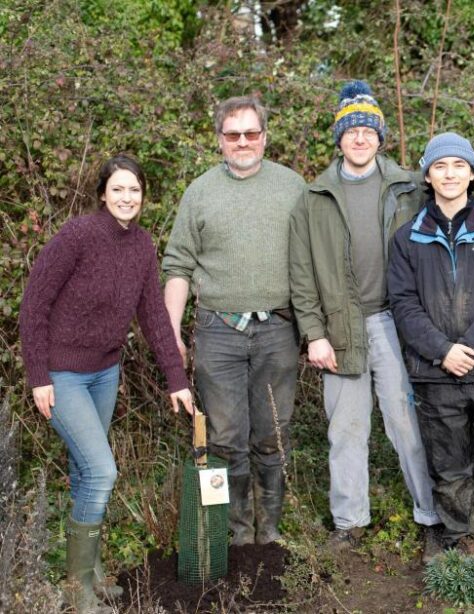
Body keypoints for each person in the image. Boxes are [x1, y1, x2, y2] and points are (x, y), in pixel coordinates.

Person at [19, 154, 195, 613]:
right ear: (102, 193)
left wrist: (176, 379)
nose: (126, 198)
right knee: (101, 471)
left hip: (105, 372)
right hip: (62, 373)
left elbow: (154, 316)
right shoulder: (77, 236)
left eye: (134, 190)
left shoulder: (142, 246)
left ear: (143, 196)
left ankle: (91, 575)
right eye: (117, 189)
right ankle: (77, 592)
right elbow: (34, 304)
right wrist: (38, 375)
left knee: (84, 472)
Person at [288, 81, 442, 555]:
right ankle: (349, 522)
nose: (360, 138)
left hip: (399, 326)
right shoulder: (314, 198)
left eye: (368, 129)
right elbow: (301, 272)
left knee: (407, 424)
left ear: (381, 136)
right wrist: (313, 333)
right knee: (345, 429)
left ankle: (432, 516)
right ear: (339, 137)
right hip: (340, 329)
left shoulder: (409, 188)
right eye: (351, 129)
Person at [163, 96, 306, 546]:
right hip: (219, 331)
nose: (242, 142)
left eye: (251, 133)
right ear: (219, 140)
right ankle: (237, 536)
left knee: (271, 434)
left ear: (264, 136)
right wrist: (171, 334)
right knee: (225, 439)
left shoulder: (293, 187)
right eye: (232, 134)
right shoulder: (200, 192)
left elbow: (314, 260)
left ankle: (271, 534)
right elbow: (178, 265)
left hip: (278, 329)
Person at [388, 132, 474, 560]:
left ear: (472, 173)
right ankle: (460, 543)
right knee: (449, 468)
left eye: (458, 166)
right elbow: (403, 304)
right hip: (435, 372)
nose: (450, 174)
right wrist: (443, 350)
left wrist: (471, 347)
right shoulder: (407, 237)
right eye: (440, 166)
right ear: (427, 174)